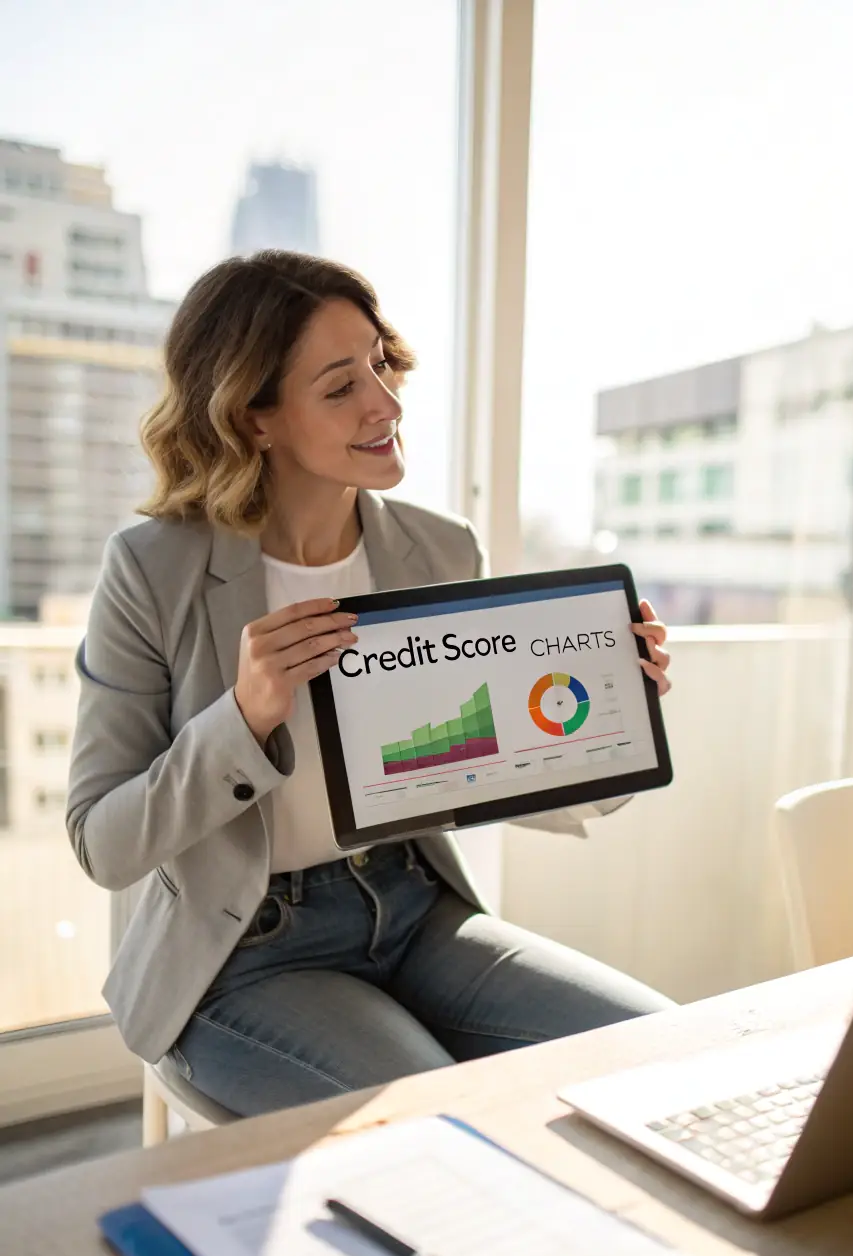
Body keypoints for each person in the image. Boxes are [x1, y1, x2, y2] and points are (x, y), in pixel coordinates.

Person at [66, 251, 675, 1117]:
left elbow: (489, 755)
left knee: (663, 1053)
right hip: (242, 952)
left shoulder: (438, 549)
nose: (386, 403)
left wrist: (618, 701)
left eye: (382, 365)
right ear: (255, 417)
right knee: (450, 1124)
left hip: (413, 908)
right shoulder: (153, 568)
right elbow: (103, 840)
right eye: (340, 384)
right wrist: (241, 718)